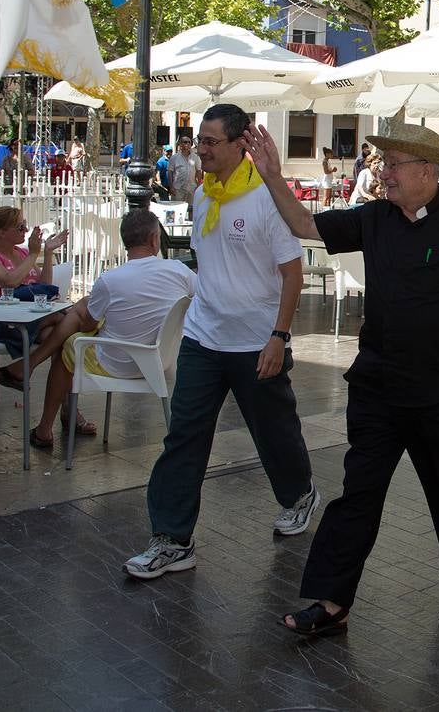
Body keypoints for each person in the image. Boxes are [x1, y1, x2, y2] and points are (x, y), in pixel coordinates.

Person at [242, 119, 439, 636]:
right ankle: (331, 601)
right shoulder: (375, 218)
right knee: (357, 495)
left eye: (394, 165)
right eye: (382, 164)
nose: (383, 173)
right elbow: (307, 226)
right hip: (378, 389)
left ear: (427, 171)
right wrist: (272, 175)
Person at [123, 103, 318, 580]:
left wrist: (279, 336)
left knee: (274, 432)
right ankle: (172, 539)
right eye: (201, 140)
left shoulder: (266, 199)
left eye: (211, 141)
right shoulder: (204, 197)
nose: (200, 149)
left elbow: (293, 275)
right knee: (184, 437)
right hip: (203, 338)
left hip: (258, 343)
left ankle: (299, 493)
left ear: (240, 145)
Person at [27, 210, 197, 450]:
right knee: (75, 334)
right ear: (154, 239)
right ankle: (69, 415)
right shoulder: (180, 272)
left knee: (70, 344)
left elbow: (87, 325)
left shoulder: (110, 280)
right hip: (161, 360)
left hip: (116, 363)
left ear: (125, 242)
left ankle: (45, 429)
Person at [0, 207, 71, 389]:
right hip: (2, 322)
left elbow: (43, 285)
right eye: (20, 227)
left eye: (25, 225)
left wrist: (48, 253)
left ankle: (23, 369)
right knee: (65, 320)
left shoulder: (22, 253)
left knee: (61, 338)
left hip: (31, 319)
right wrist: (34, 253)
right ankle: (64, 408)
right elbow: (8, 282)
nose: (26, 230)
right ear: (2, 232)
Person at [168, 136, 202, 204]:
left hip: (191, 189)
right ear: (180, 144)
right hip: (178, 189)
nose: (187, 144)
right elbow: (170, 172)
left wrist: (198, 186)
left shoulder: (196, 157)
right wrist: (171, 187)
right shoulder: (174, 158)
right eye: (185, 142)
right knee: (177, 210)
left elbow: (198, 171)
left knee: (191, 210)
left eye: (189, 142)